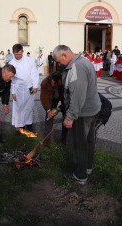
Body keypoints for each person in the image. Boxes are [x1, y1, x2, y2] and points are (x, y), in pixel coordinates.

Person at [52, 45, 101, 185]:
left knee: (79, 144)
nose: (59, 64)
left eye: (59, 61)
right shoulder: (83, 61)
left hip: (82, 113)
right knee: (89, 141)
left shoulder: (76, 67)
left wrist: (70, 116)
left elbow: (77, 95)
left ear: (64, 55)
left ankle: (80, 176)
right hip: (92, 110)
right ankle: (87, 168)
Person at [9, 43, 39, 133]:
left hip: (29, 87)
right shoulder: (11, 63)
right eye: (16, 54)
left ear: (23, 51)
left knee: (29, 107)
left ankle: (29, 124)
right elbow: (11, 80)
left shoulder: (29, 61)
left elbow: (34, 73)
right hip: (18, 88)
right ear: (13, 52)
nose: (18, 56)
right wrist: (13, 92)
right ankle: (19, 126)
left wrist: (35, 85)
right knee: (18, 108)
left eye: (20, 54)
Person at [40, 72, 67, 146]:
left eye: (55, 83)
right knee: (49, 118)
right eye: (52, 82)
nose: (53, 84)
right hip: (52, 99)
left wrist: (59, 109)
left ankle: (65, 140)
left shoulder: (64, 83)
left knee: (66, 117)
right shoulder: (45, 83)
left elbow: (66, 100)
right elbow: (44, 98)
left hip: (63, 99)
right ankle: (46, 141)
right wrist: (48, 110)